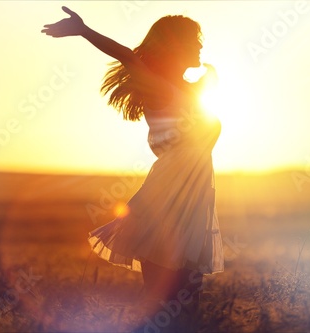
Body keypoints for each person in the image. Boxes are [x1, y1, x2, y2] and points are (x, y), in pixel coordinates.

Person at [42, 6, 224, 331]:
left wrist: (208, 82)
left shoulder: (184, 90)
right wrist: (84, 30)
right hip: (170, 194)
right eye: (194, 40)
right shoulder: (157, 86)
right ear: (175, 46)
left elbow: (198, 122)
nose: (200, 46)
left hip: (194, 195)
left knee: (185, 295)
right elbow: (126, 55)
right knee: (163, 293)